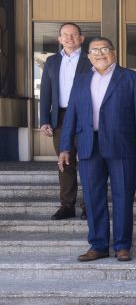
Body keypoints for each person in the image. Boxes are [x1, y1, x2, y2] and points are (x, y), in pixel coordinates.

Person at [58, 37, 136, 262]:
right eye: (94, 50)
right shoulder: (80, 80)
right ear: (88, 55)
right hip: (89, 145)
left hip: (122, 145)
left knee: (123, 196)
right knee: (93, 197)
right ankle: (98, 245)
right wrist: (65, 147)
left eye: (104, 49)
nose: (99, 53)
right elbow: (71, 114)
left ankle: (122, 245)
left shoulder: (132, 78)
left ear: (114, 53)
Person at [40, 22, 92, 220]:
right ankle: (67, 205)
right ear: (59, 39)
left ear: (81, 38)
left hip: (85, 117)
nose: (69, 38)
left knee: (88, 161)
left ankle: (89, 205)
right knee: (65, 162)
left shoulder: (90, 59)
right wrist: (44, 119)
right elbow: (45, 92)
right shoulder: (52, 61)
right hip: (60, 117)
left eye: (73, 34)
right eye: (65, 34)